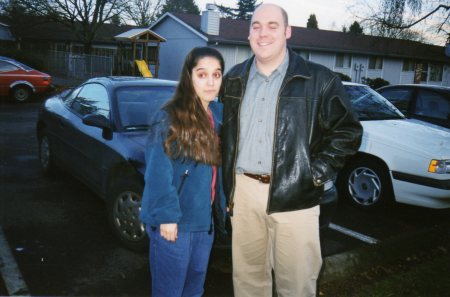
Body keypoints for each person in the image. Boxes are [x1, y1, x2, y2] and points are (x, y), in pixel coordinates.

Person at [220, 4, 363, 297]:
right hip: (244, 193)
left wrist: (314, 174)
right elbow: (226, 136)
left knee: (297, 285)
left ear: (287, 32)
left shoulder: (320, 79)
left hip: (297, 195)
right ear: (248, 34)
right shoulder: (233, 79)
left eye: (272, 26)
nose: (263, 33)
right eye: (256, 26)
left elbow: (348, 132)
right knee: (247, 281)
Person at [139, 46, 227, 297]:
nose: (211, 82)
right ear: (189, 77)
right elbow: (157, 170)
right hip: (174, 223)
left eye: (217, 74)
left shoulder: (216, 116)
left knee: (194, 289)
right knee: (169, 291)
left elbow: (216, 171)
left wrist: (222, 205)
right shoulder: (169, 117)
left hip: (203, 223)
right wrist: (167, 216)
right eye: (202, 74)